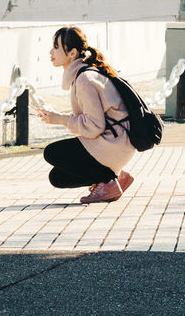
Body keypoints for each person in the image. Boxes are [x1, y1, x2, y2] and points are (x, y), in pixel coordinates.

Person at [33, 26, 136, 204]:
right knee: (57, 178)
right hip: (119, 143)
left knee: (52, 153)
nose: (51, 51)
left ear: (72, 53)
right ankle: (116, 178)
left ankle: (111, 181)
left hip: (114, 144)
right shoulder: (85, 74)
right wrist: (57, 117)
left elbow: (94, 126)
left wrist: (59, 119)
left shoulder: (84, 79)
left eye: (56, 47)